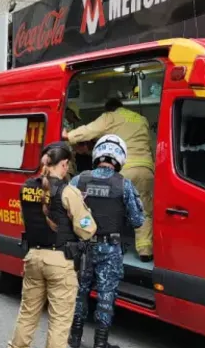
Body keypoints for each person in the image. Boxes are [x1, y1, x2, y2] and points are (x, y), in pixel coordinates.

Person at [6, 142, 97, 348]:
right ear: (65, 165)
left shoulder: (26, 188)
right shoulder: (68, 192)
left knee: (27, 314)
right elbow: (87, 229)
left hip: (33, 257)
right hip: (59, 262)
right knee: (59, 320)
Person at [68, 135, 145, 348]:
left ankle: (75, 337)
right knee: (106, 294)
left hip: (83, 246)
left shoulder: (79, 180)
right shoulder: (124, 184)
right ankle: (100, 344)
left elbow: (66, 210)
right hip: (110, 248)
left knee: (80, 291)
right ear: (119, 157)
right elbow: (138, 220)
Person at [64, 98, 155, 262]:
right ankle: (145, 250)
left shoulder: (110, 117)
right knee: (144, 209)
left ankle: (114, 246)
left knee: (114, 208)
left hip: (125, 169)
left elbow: (89, 130)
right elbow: (150, 144)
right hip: (145, 168)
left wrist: (68, 136)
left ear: (109, 109)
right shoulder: (141, 119)